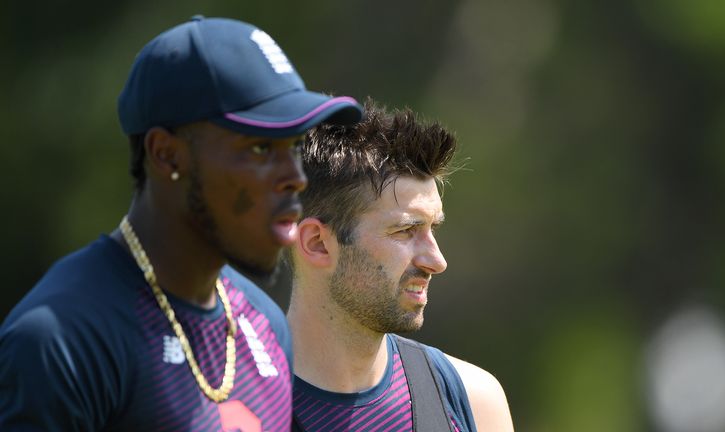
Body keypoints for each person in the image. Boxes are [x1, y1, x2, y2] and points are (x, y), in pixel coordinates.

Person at [0, 16, 362, 431]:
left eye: (294, 146)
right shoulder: (61, 339)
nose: (295, 176)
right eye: (261, 147)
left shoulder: (265, 324)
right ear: (167, 155)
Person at [287, 99, 514, 432]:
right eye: (405, 230)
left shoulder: (473, 402)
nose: (436, 261)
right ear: (317, 243)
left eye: (432, 228)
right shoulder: (228, 406)